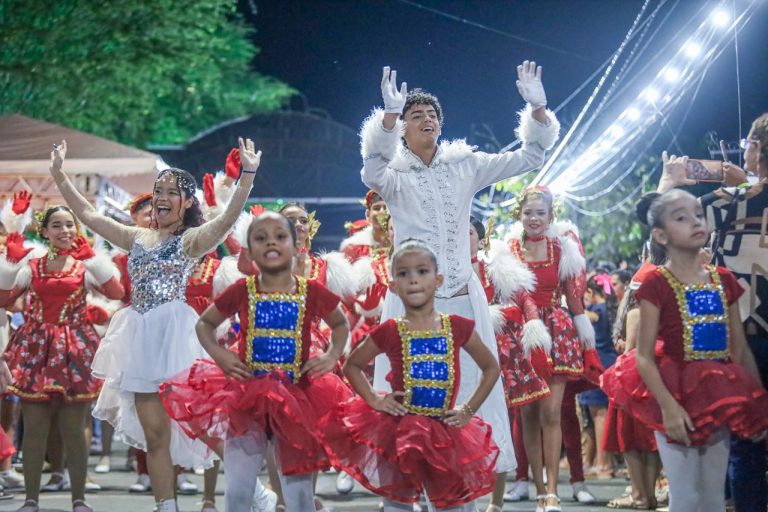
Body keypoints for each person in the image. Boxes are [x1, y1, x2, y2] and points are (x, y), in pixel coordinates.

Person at [363, 61, 560, 511]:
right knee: (408, 401)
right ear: (403, 130)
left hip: (462, 305)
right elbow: (371, 171)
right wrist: (388, 117)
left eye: (432, 114)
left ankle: (462, 498)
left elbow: (530, 157)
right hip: (410, 310)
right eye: (416, 115)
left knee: (467, 405)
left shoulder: (464, 165)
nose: (427, 119)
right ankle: (407, 496)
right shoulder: (394, 175)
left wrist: (538, 108)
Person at [48, 138, 259, 512]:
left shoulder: (191, 240)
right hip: (140, 340)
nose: (161, 197)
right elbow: (90, 217)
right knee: (155, 436)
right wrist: (59, 175)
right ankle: (167, 506)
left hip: (176, 339)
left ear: (187, 202)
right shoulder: (136, 238)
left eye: (171, 192)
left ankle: (255, 492)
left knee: (203, 426)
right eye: (158, 190)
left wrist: (248, 175)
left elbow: (226, 220)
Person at [160, 210, 350, 512]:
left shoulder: (311, 290)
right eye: (261, 238)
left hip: (298, 395)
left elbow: (340, 324)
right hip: (246, 395)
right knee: (238, 488)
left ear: (296, 245)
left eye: (280, 236)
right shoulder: (242, 289)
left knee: (299, 492)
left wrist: (331, 356)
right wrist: (222, 356)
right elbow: (204, 324)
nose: (271, 243)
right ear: (249, 251)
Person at [601, 189, 768, 512]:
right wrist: (668, 407)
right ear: (660, 235)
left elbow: (740, 349)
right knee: (686, 496)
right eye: (681, 218)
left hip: (718, 391)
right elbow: (644, 356)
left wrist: (756, 400)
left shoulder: (724, 280)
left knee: (713, 497)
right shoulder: (656, 283)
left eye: (698, 215)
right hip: (674, 391)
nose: (695, 222)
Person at [321, 239, 500, 510]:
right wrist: (374, 399)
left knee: (451, 504)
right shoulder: (390, 330)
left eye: (422, 271)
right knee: (397, 503)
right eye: (404, 273)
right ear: (393, 285)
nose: (414, 280)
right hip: (399, 432)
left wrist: (468, 410)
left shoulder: (457, 327)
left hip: (445, 432)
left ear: (438, 280)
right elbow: (352, 365)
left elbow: (491, 367)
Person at [657, 113, 768, 512]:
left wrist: (669, 181)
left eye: (748, 145)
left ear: (756, 149)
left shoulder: (732, 200)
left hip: (742, 338)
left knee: (747, 444)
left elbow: (662, 229)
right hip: (744, 338)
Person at [0, 203, 125, 512]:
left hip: (74, 349)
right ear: (44, 231)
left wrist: (94, 260)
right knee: (35, 429)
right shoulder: (32, 265)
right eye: (56, 225)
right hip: (36, 349)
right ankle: (31, 500)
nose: (65, 230)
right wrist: (9, 266)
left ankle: (79, 499)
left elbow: (117, 293)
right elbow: (3, 300)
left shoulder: (85, 265)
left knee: (74, 429)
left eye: (70, 224)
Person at [577, 274, 619, 478]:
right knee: (605, 415)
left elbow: (580, 317)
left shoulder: (595, 311)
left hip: (598, 367)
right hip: (612, 365)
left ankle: (603, 464)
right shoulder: (612, 309)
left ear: (591, 292)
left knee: (599, 416)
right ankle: (605, 461)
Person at [340, 190, 390, 263]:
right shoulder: (354, 248)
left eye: (386, 208)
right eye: (377, 208)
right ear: (368, 214)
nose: (382, 212)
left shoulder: (401, 242)